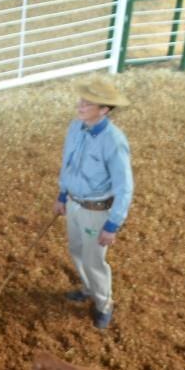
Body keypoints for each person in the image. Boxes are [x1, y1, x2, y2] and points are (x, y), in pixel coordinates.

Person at [52, 76, 132, 331]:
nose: (80, 106)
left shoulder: (114, 140)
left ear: (104, 110)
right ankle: (88, 288)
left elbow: (124, 186)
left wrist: (112, 224)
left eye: (88, 103)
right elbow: (68, 163)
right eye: (81, 100)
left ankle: (103, 303)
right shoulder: (76, 127)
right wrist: (63, 195)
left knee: (94, 259)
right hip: (75, 204)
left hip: (96, 211)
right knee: (76, 249)